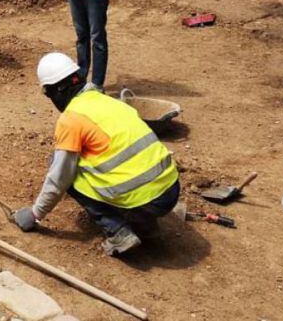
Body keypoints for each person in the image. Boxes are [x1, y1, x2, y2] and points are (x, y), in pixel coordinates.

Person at [11, 52, 179, 256]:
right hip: (171, 191)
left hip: (144, 201)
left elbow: (59, 179)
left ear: (57, 90)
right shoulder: (110, 102)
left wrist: (35, 214)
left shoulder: (72, 119)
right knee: (98, 162)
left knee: (64, 169)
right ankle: (145, 225)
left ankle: (118, 231)